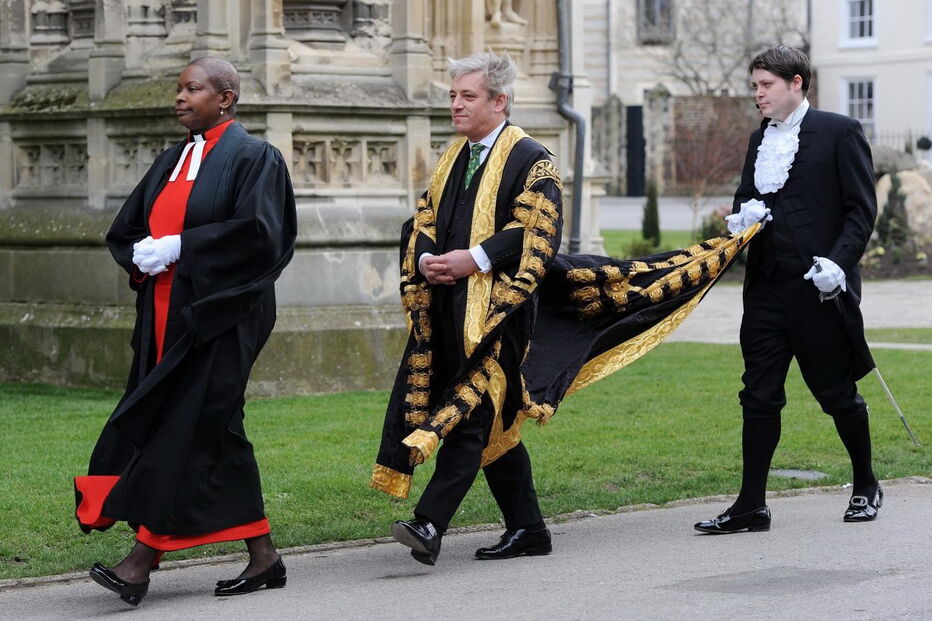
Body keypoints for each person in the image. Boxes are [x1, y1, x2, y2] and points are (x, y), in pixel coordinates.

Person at [73, 57, 297, 606]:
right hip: (164, 315)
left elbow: (262, 234)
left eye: (192, 89)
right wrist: (141, 258)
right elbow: (127, 228)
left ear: (225, 98)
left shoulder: (255, 157)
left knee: (188, 425)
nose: (180, 98)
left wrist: (182, 247)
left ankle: (140, 562)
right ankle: (264, 557)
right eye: (179, 89)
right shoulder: (172, 159)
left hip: (222, 315)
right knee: (217, 429)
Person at [371, 50, 563, 565]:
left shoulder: (532, 158)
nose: (455, 105)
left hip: (501, 311)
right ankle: (529, 529)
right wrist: (429, 258)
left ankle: (430, 523)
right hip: (450, 306)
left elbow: (536, 230)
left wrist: (473, 260)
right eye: (453, 95)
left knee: (470, 411)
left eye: (467, 96)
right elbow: (427, 214)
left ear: (499, 101)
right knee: (492, 423)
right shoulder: (454, 154)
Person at [694, 46, 880, 534]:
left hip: (820, 290)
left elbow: (862, 211)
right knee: (758, 396)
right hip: (765, 290)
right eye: (755, 85)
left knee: (837, 393)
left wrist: (838, 264)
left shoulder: (840, 131)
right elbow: (745, 198)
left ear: (797, 83)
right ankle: (750, 505)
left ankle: (866, 484)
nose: (757, 94)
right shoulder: (760, 140)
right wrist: (743, 216)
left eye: (765, 85)